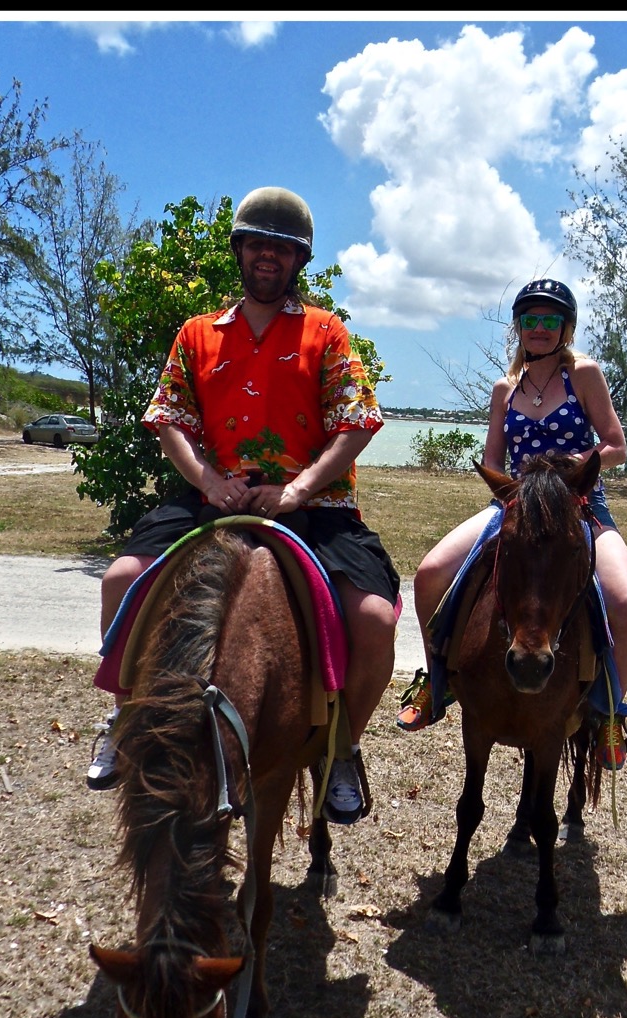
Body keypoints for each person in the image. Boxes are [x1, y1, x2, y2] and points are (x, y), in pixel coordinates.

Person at [87, 186, 401, 824]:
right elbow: (167, 416)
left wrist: (299, 489)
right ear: (239, 250)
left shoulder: (326, 332)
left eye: (282, 249)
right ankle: (125, 714)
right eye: (258, 244)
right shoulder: (198, 334)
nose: (268, 257)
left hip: (313, 504)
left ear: (297, 261)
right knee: (121, 579)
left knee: (374, 620)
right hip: (217, 493)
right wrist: (206, 479)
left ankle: (343, 747)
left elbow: (359, 421)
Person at [396, 278, 627, 771]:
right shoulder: (505, 388)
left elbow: (616, 445)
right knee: (430, 572)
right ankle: (436, 680)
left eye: (549, 320)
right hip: (515, 504)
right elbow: (495, 458)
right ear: (518, 328)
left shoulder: (584, 374)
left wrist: (576, 464)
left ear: (565, 328)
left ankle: (608, 712)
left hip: (581, 504)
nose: (538, 328)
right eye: (530, 320)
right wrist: (509, 491)